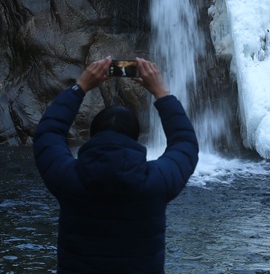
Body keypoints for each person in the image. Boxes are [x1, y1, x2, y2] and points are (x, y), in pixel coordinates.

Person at [33, 56, 199, 274]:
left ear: (93, 135)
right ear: (135, 138)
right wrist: (161, 92)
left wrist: (80, 87)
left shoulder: (69, 179)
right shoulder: (156, 182)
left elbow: (48, 133)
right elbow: (185, 143)